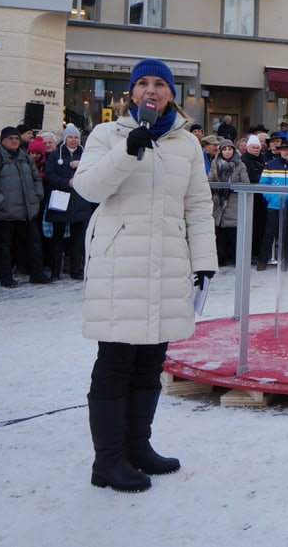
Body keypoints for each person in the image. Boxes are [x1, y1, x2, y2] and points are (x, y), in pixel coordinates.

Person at [72, 58, 216, 492]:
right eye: (143, 84)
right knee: (115, 363)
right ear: (132, 94)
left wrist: (204, 259)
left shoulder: (186, 144)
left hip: (168, 261)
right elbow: (89, 189)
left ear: (172, 94)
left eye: (160, 84)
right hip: (120, 262)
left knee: (150, 362)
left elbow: (197, 205)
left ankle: (138, 447)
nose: (151, 91)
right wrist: (128, 149)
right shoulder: (106, 135)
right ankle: (108, 462)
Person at [0, 126, 50, 287]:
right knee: (4, 246)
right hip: (6, 212)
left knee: (34, 243)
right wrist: (1, 202)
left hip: (27, 210)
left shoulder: (26, 158)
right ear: (3, 141)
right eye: (10, 138)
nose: (14, 141)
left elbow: (36, 179)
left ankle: (37, 274)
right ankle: (6, 277)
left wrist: (37, 196)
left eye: (16, 138)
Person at [44, 124, 94, 280]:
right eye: (70, 137)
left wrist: (81, 168)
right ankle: (55, 271)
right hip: (61, 200)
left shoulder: (86, 155)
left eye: (75, 137)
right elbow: (50, 175)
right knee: (57, 238)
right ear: (65, 139)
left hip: (80, 202)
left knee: (77, 239)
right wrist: (67, 182)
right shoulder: (55, 155)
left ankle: (75, 270)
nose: (73, 140)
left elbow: (94, 172)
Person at [256, 140, 288, 270]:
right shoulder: (270, 165)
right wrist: (271, 198)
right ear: (279, 151)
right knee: (270, 232)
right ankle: (262, 260)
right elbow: (263, 185)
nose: (286, 152)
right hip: (275, 205)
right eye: (284, 149)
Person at [208, 138, 249, 267]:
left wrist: (232, 187)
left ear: (233, 151)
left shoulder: (240, 165)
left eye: (229, 149)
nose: (227, 152)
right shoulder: (215, 163)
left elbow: (246, 184)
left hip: (233, 202)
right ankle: (220, 259)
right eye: (224, 149)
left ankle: (237, 259)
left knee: (233, 232)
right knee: (219, 232)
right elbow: (210, 180)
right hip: (218, 202)